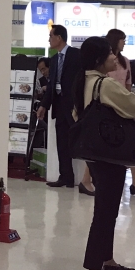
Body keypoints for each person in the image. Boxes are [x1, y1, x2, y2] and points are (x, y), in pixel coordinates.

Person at [77, 36, 135, 270]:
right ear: (99, 59)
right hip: (110, 155)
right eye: (109, 53)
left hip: (95, 153)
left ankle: (107, 262)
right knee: (105, 214)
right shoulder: (106, 84)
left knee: (107, 211)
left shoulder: (83, 81)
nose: (114, 57)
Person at [104, 28, 135, 197]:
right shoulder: (105, 61)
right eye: (122, 40)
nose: (124, 42)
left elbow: (128, 85)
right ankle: (86, 180)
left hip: (123, 106)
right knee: (103, 145)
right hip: (109, 106)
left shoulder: (125, 61)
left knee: (131, 143)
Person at [41, 25, 82, 189]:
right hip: (59, 106)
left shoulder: (76, 55)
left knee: (80, 141)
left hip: (74, 107)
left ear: (59, 38)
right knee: (62, 143)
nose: (49, 39)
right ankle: (66, 176)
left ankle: (89, 178)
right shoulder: (54, 59)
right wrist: (44, 105)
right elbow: (52, 85)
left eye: (51, 36)